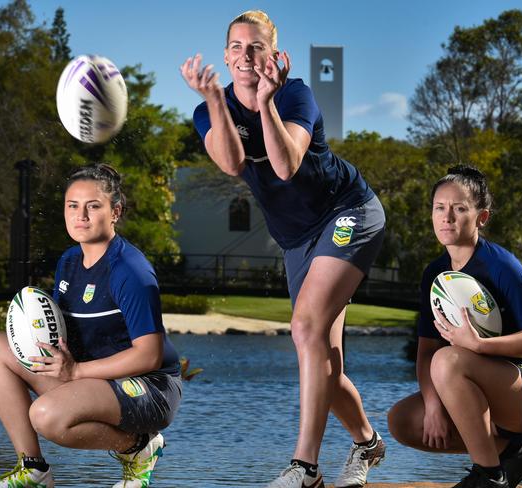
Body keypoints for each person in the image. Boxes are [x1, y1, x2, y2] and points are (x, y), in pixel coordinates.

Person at [181, 10, 386, 488]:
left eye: (255, 47)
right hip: (296, 239)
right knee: (322, 360)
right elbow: (232, 163)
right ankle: (367, 443)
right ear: (225, 55)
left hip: (347, 213)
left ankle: (304, 468)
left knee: (303, 328)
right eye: (236, 46)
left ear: (272, 54)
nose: (245, 56)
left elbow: (287, 164)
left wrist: (267, 102)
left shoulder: (296, 94)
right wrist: (213, 99)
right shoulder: (208, 109)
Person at [0, 163, 182, 488]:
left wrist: (75, 373)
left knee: (46, 416)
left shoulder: (130, 270)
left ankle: (139, 448)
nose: (80, 215)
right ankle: (33, 471)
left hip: (147, 387)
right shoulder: (70, 261)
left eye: (93, 206)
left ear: (115, 211)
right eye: (72, 205)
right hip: (91, 375)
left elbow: (149, 356)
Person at [387, 165, 522, 488]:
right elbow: (426, 349)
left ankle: (489, 476)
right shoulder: (435, 274)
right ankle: (512, 453)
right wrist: (432, 404)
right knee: (402, 421)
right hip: (493, 388)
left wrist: (479, 345)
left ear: (481, 218)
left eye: (459, 209)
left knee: (447, 362)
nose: (447, 217)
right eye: (439, 208)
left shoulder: (500, 266)